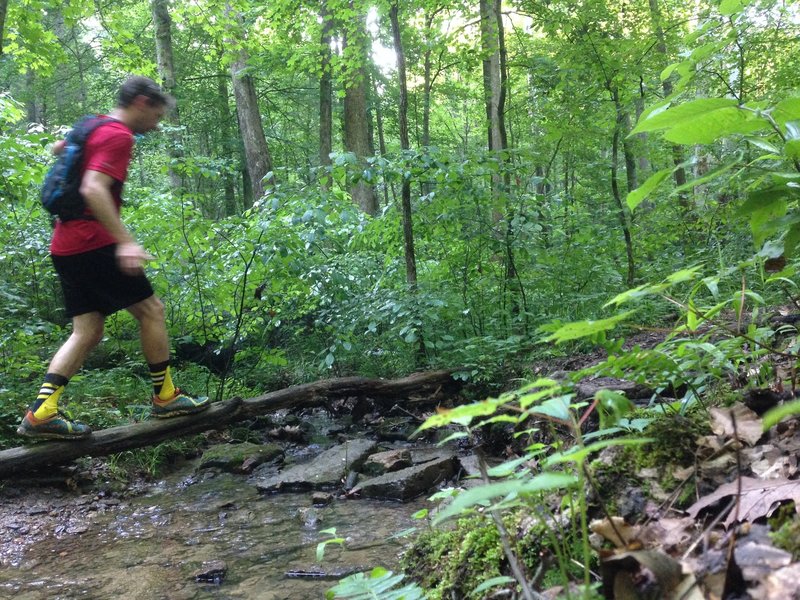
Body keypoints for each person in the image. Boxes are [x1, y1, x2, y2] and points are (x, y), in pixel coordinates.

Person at [17, 76, 210, 440]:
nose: (157, 122)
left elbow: (60, 149)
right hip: (94, 242)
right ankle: (166, 397)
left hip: (65, 244)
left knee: (87, 331)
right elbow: (92, 187)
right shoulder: (118, 135)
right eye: (156, 113)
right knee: (151, 310)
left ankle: (42, 413)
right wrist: (125, 242)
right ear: (140, 103)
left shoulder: (91, 124)